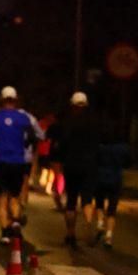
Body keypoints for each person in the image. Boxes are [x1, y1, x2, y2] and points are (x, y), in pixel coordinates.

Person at [0, 86, 38, 246]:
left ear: (1, 100)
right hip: (18, 162)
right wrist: (23, 144)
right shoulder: (23, 117)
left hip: (0, 161)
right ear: (15, 100)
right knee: (15, 196)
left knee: (2, 198)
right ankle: (16, 221)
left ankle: (5, 233)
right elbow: (33, 137)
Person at [55, 91, 100, 248]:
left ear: (72, 105)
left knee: (71, 201)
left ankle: (70, 233)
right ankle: (88, 225)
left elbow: (61, 146)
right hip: (89, 165)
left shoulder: (67, 123)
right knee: (87, 199)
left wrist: (59, 164)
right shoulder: (94, 123)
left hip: (71, 165)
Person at [93, 127, 132, 249]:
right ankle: (109, 237)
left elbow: (95, 161)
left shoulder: (100, 147)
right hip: (116, 179)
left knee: (99, 204)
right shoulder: (123, 148)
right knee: (112, 210)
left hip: (100, 178)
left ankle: (100, 223)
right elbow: (128, 163)